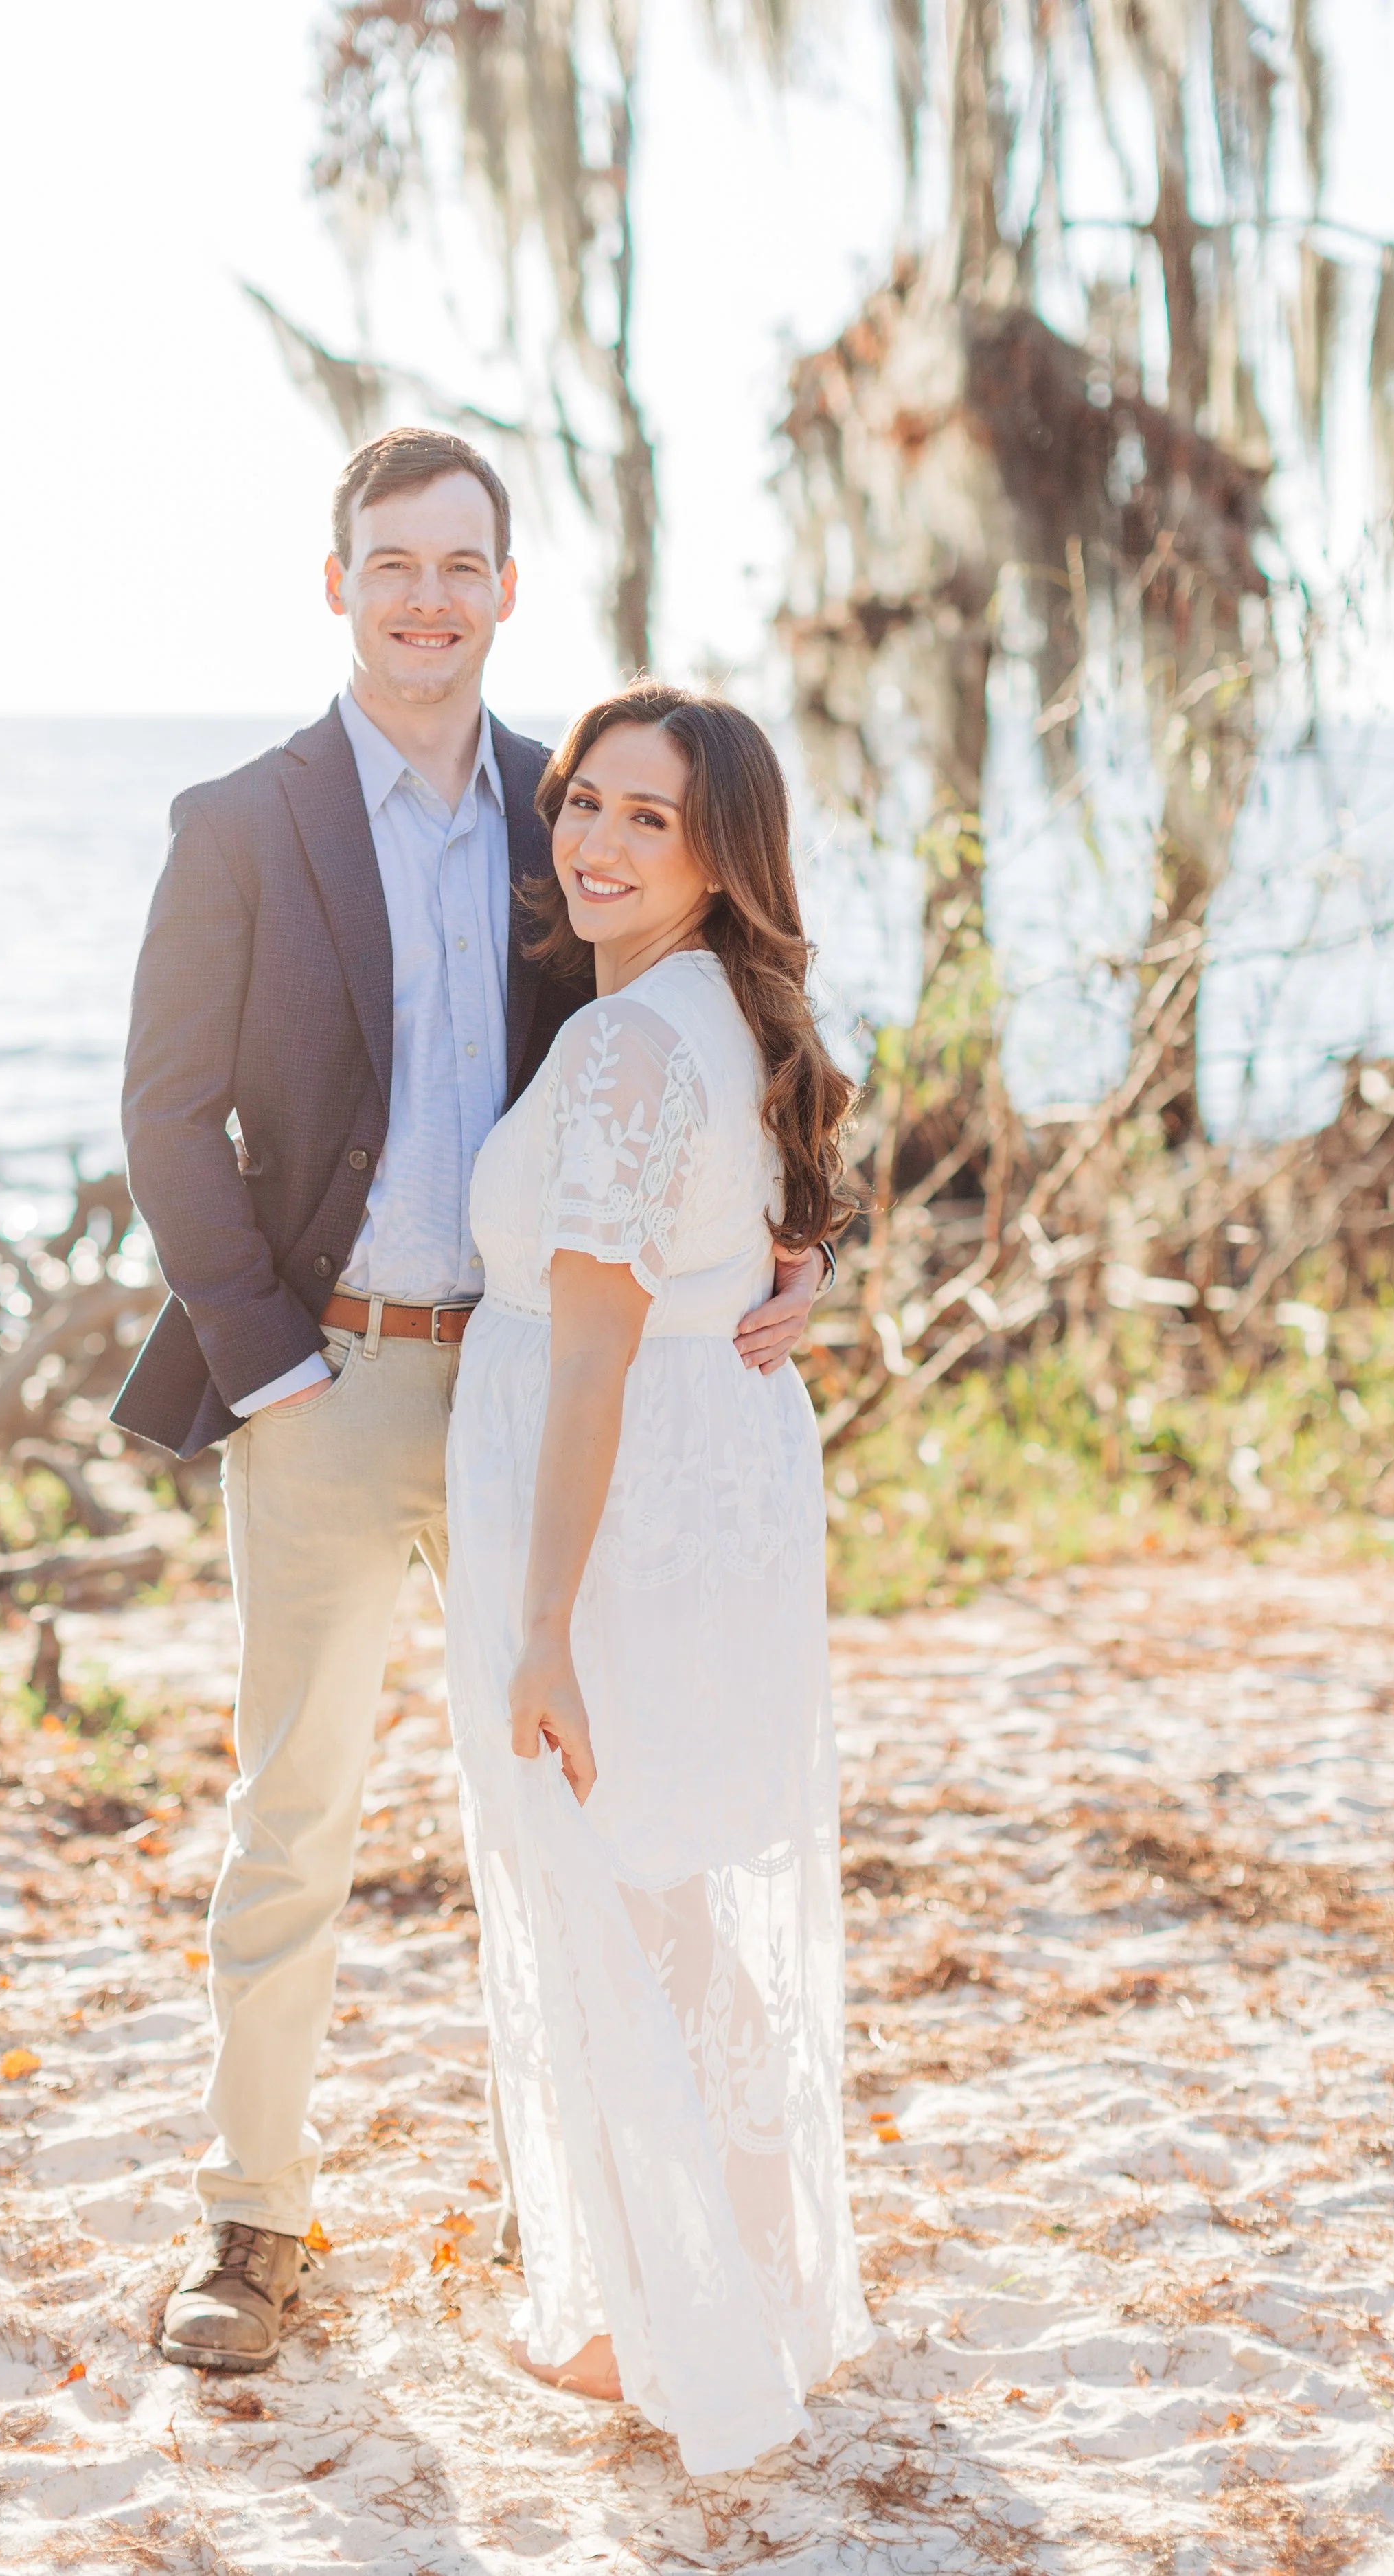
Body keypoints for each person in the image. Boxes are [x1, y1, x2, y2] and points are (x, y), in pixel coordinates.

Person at [112, 430, 829, 2371]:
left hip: (541, 1389)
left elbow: (729, 1019)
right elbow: (167, 1119)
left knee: (575, 1803)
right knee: (297, 1809)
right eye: (389, 561)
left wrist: (788, 1245)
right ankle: (254, 2219)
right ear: (333, 580)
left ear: (507, 589)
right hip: (328, 1377)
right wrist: (269, 1362)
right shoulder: (239, 825)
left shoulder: (570, 808)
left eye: (460, 564)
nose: (424, 595)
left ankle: (579, 2207)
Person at [444, 681, 875, 2475]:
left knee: (616, 1896)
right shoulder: (711, 1012)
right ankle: (751, 2281)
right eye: (585, 804)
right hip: (718, 1489)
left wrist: (540, 1627)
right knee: (675, 1891)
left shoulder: (630, 1045)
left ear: (717, 860)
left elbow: (596, 1354)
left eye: (651, 822)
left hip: (618, 1517)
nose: (600, 846)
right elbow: (737, 1245)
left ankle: (664, 2329)